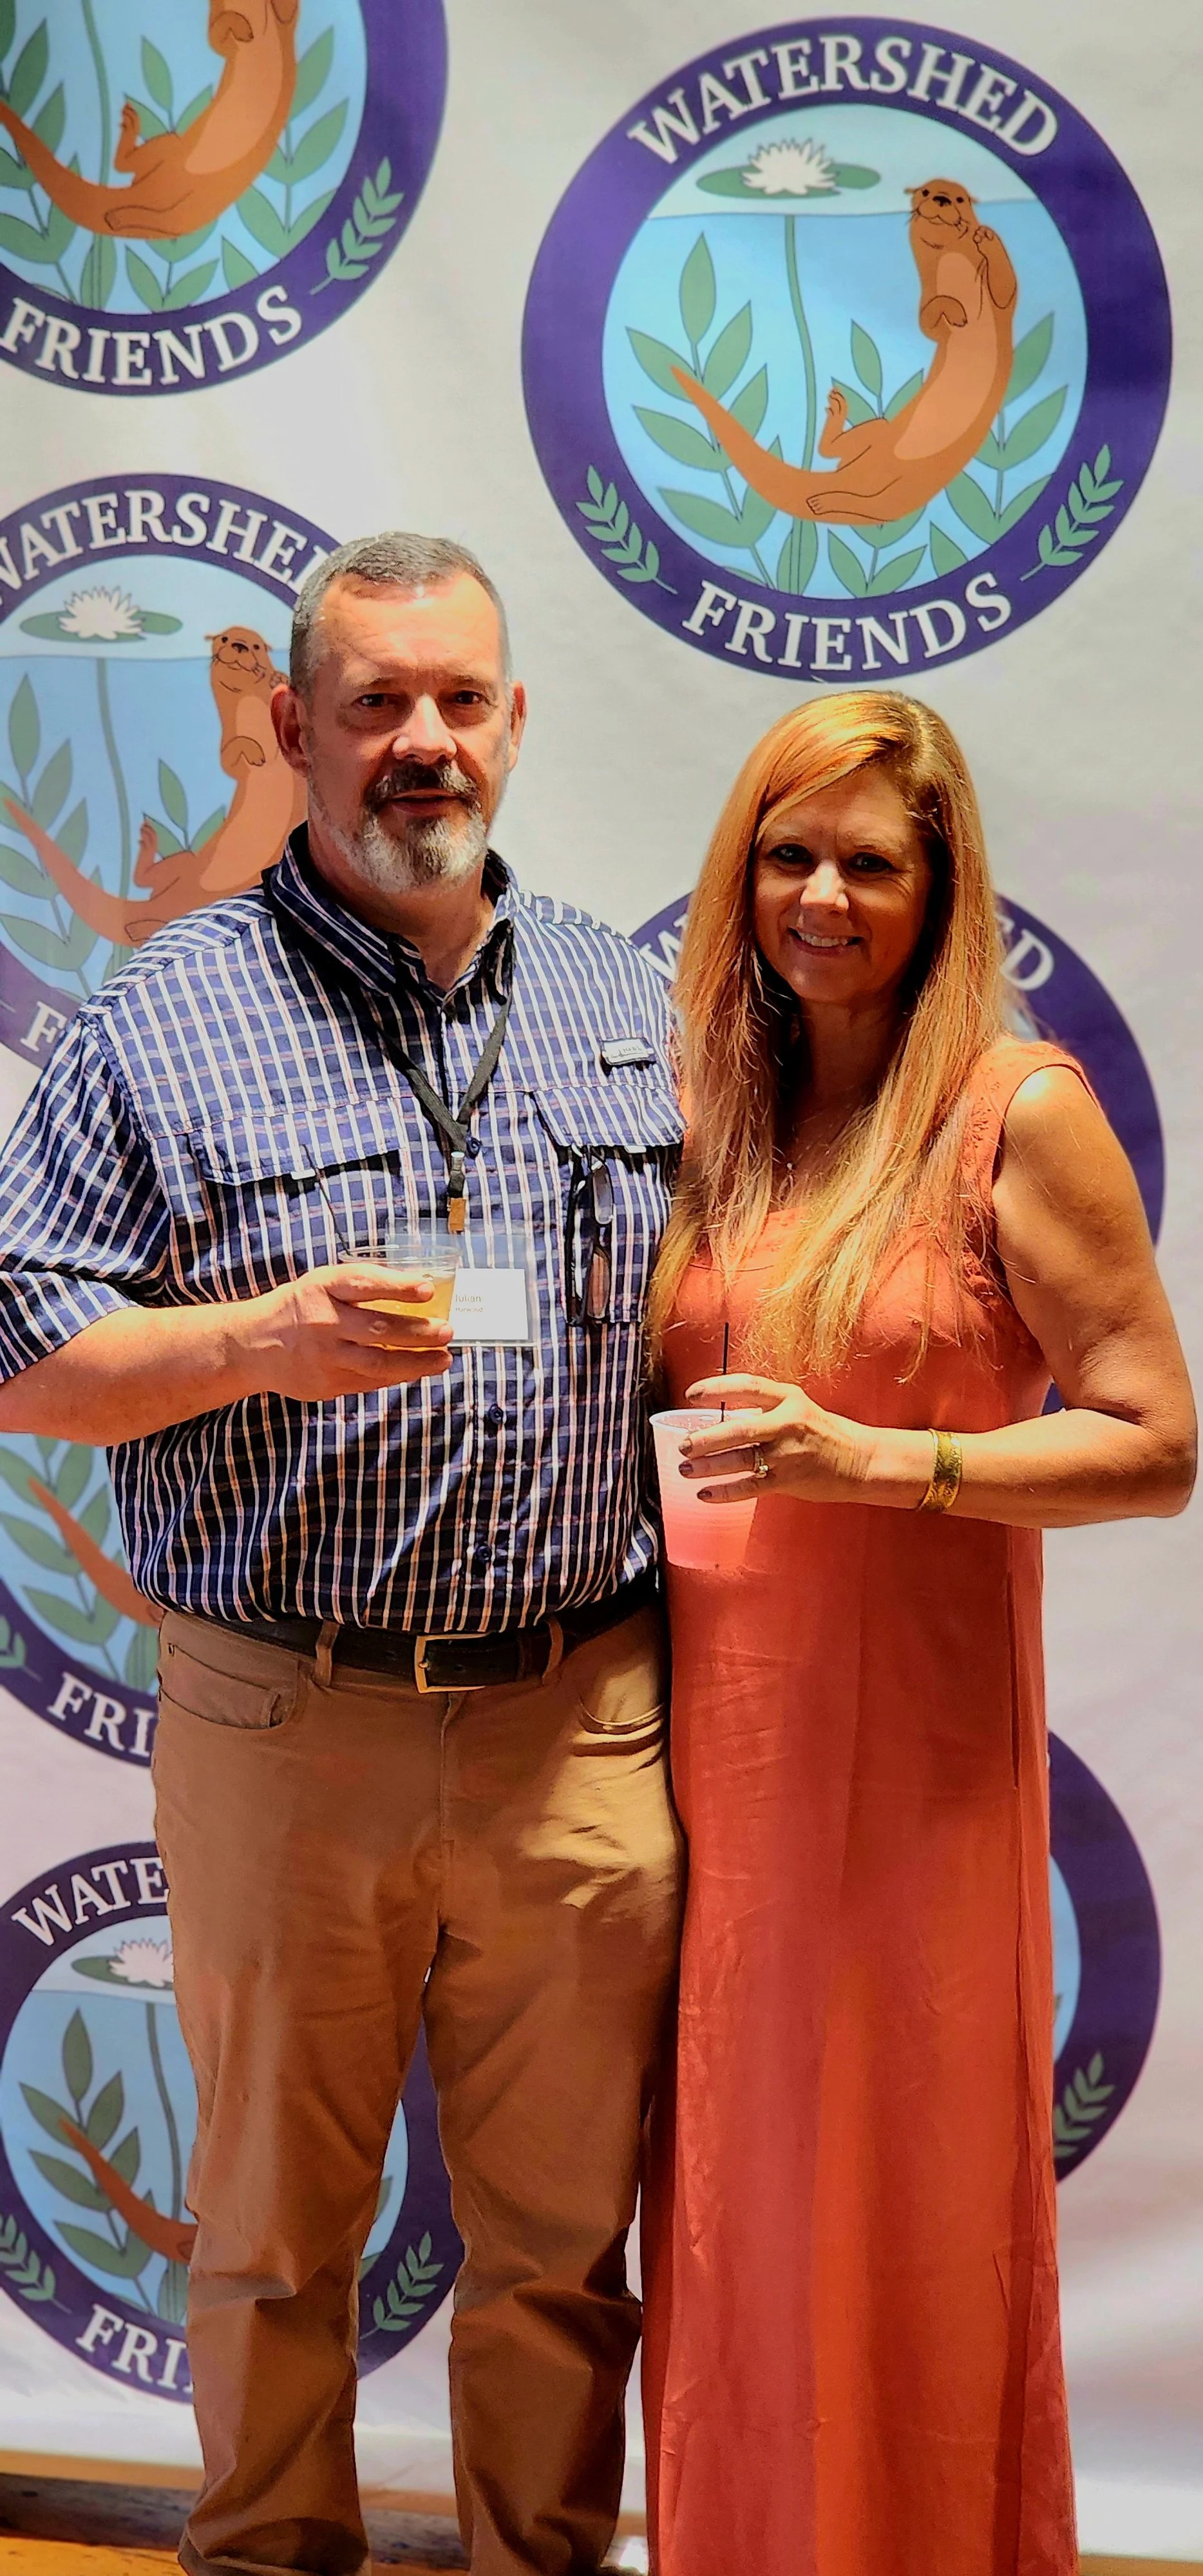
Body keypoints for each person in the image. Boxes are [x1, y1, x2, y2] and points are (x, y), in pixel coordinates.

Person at [0, 534, 685, 2576]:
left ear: (514, 724)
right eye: (373, 704)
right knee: (277, 2239)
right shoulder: (166, 1009)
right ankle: (270, 2556)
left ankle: (535, 2561)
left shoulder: (616, 992)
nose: (419, 743)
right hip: (287, 1720)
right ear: (289, 732)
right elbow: (26, 1346)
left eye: (456, 700)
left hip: (585, 1721)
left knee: (562, 2245)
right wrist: (260, 1343)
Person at [639, 691, 1195, 2576]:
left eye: (868, 862)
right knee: (731, 2212)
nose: (821, 894)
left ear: (940, 887)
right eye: (786, 854)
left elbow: (1153, 1438)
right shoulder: (722, 1105)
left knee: (892, 2205)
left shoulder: (1013, 1110)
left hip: (906, 1786)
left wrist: (881, 1461)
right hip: (712, 1775)